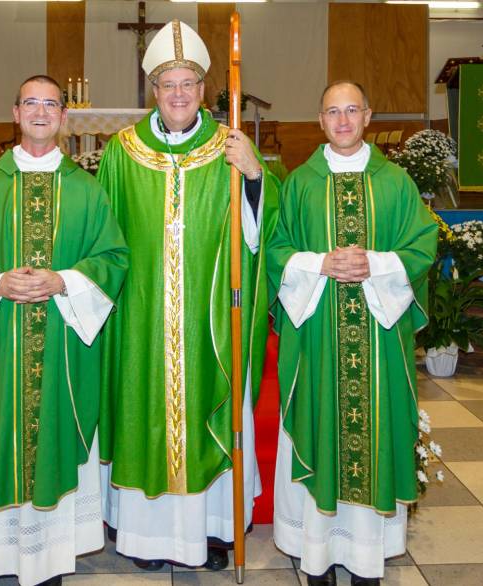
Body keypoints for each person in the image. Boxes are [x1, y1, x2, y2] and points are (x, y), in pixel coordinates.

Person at [95, 19, 280, 571]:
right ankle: (146, 539)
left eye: (189, 83)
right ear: (153, 90)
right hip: (142, 316)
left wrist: (253, 179)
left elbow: (267, 233)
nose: (178, 94)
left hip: (210, 319)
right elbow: (103, 235)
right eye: (167, 84)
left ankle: (214, 529)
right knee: (143, 410)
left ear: (204, 91)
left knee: (210, 407)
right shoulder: (122, 152)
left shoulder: (230, 147)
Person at [0, 74, 129, 586]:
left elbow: (112, 258)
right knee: (0, 431)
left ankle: (50, 555)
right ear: (15, 113)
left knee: (55, 434)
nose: (41, 111)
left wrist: (63, 279)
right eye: (31, 103)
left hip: (63, 343)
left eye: (51, 104)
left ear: (64, 118)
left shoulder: (88, 191)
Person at [267, 81, 437, 586]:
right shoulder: (300, 183)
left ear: (368, 116)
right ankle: (313, 554)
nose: (342, 121)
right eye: (331, 113)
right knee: (319, 421)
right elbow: (275, 252)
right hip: (318, 335)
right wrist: (320, 262)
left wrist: (375, 263)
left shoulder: (396, 183)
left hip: (377, 339)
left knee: (375, 427)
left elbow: (422, 247)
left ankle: (366, 557)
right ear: (320, 121)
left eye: (351, 111)